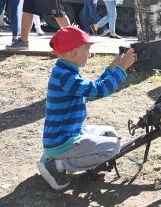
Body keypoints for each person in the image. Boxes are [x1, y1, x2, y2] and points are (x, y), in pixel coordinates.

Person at [37, 26, 136, 190]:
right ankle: (57, 165)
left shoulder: (65, 71)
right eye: (87, 49)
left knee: (110, 133)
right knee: (113, 146)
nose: (89, 54)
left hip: (67, 134)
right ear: (74, 52)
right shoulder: (66, 77)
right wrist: (121, 69)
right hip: (63, 141)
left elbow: (93, 86)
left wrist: (112, 68)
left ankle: (52, 157)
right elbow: (98, 90)